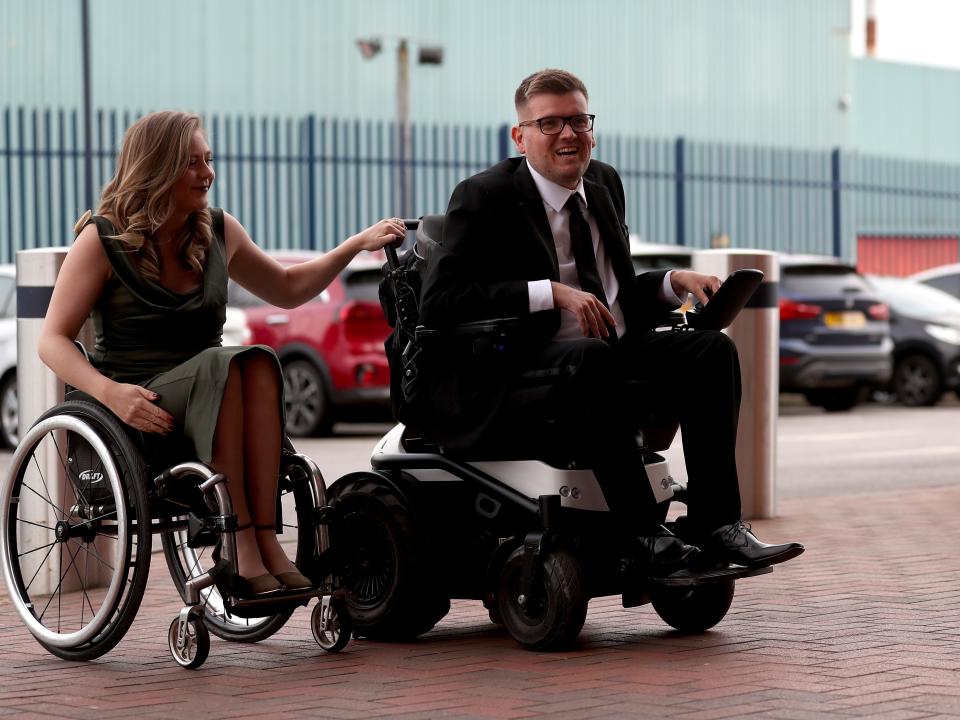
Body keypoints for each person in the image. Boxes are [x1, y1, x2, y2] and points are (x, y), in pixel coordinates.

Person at [418, 69, 803, 577]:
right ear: (521, 135)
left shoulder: (604, 182)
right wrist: (551, 293)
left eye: (578, 120)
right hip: (520, 366)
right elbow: (442, 302)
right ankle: (641, 535)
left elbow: (610, 293)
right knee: (592, 356)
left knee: (711, 350)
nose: (569, 135)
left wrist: (672, 282)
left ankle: (715, 522)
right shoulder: (483, 197)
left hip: (607, 350)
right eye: (550, 123)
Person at [38, 111, 405, 598]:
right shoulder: (101, 238)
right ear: (156, 166)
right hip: (141, 401)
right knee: (227, 362)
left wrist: (355, 246)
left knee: (250, 357)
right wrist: (112, 394)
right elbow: (52, 340)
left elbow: (289, 287)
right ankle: (240, 545)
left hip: (217, 389)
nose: (207, 173)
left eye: (208, 160)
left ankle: (263, 541)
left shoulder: (216, 229)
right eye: (191, 162)